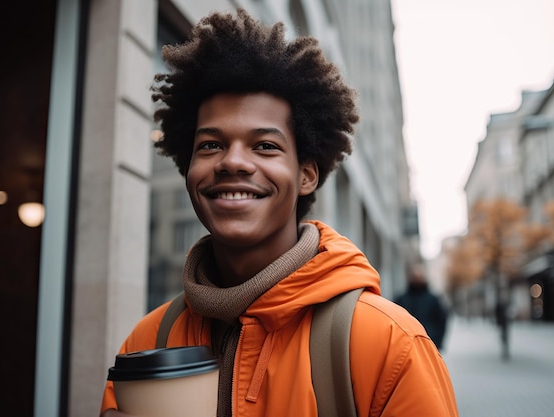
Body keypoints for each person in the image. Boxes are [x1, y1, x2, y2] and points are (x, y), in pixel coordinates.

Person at [100, 9, 458, 417]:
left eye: (265, 146)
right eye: (210, 145)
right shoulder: (147, 340)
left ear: (306, 175)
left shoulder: (389, 343)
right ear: (188, 168)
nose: (232, 161)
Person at [395, 263, 449, 351]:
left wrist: (437, 342)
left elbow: (442, 321)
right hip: (406, 347)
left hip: (429, 345)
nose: (417, 278)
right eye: (415, 276)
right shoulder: (401, 299)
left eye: (420, 276)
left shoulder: (434, 299)